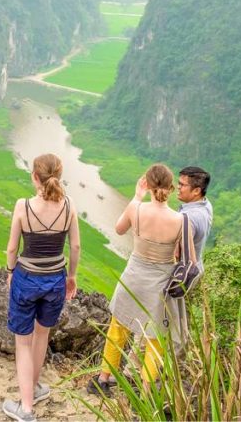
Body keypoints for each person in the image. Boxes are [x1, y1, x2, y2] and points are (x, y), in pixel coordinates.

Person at [89, 164, 184, 396]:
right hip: (159, 285)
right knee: (155, 338)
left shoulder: (136, 208)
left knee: (118, 328)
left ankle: (103, 379)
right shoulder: (180, 220)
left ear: (148, 184)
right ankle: (145, 394)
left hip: (133, 278)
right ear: (170, 187)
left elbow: (119, 230)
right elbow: (180, 255)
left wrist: (136, 196)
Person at [2, 154, 81, 422]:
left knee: (22, 342)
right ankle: (34, 389)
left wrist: (10, 272)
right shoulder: (69, 205)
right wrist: (71, 276)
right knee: (42, 335)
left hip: (27, 277)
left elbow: (12, 247)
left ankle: (25, 408)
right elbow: (76, 247)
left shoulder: (23, 206)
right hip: (56, 278)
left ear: (35, 177)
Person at [177, 166, 213, 263]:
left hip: (183, 274)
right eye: (178, 183)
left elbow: (178, 253)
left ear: (196, 191)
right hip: (197, 266)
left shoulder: (189, 217)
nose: (178, 187)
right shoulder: (206, 204)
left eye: (182, 185)